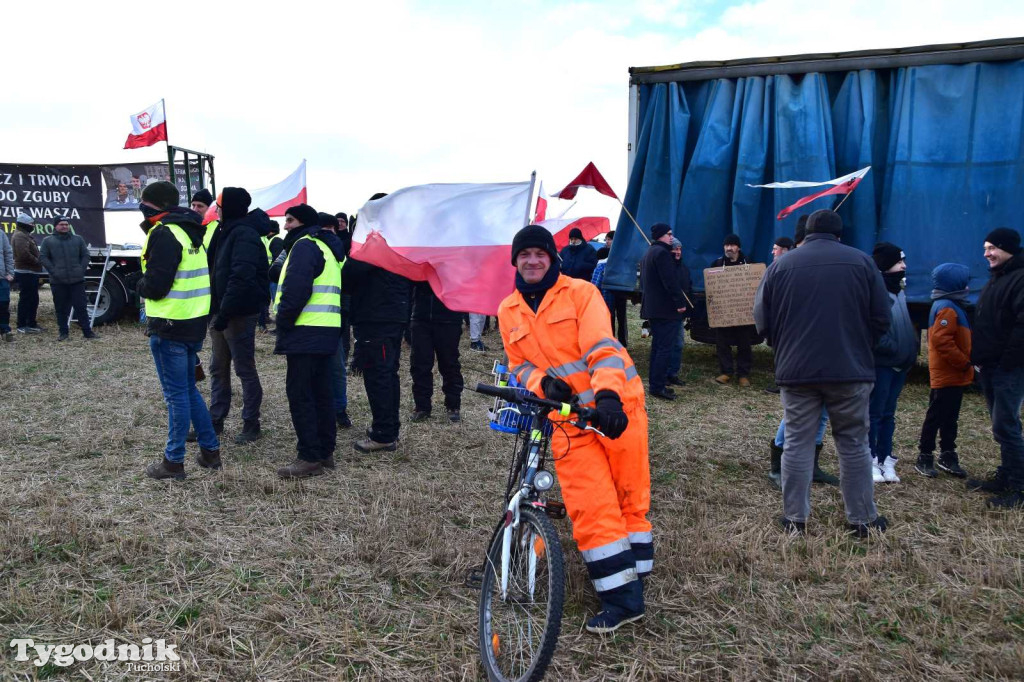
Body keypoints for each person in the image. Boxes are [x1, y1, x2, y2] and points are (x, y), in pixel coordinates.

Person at [499, 224, 652, 634]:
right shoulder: (508, 310)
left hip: (617, 409)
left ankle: (638, 572)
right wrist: (542, 384)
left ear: (553, 258)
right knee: (590, 504)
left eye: (540, 254)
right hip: (566, 420)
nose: (532, 261)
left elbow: (603, 347)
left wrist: (608, 397)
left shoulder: (582, 293)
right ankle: (622, 599)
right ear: (515, 261)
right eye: (524, 255)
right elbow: (518, 364)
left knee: (628, 497)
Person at [754, 209, 891, 536]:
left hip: (797, 371)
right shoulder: (862, 263)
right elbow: (882, 318)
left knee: (797, 443)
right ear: (840, 234)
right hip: (850, 370)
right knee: (854, 444)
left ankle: (794, 519)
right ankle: (862, 520)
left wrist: (782, 345)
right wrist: (860, 346)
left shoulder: (781, 265)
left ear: (805, 233)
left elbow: (761, 319)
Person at [136, 181, 220, 480]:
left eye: (144, 203)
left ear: (155, 205)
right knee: (187, 389)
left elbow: (156, 286)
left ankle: (173, 462)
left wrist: (138, 283)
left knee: (176, 396)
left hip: (169, 325)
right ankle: (210, 451)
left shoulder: (165, 232)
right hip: (192, 323)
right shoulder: (190, 231)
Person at [273, 203, 346, 478]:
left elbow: (296, 290)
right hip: (326, 329)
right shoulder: (327, 246)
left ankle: (309, 456)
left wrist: (283, 322)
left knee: (301, 395)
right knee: (321, 393)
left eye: (290, 220)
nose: (285, 226)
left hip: (305, 330)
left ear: (303, 223)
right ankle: (325, 451)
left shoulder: (304, 245)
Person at [766, 216, 837, 489]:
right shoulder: (786, 267)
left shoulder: (832, 265)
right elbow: (766, 311)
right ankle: (778, 465)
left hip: (829, 349)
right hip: (799, 351)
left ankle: (812, 465)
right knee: (797, 412)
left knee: (823, 411)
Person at [344, 193, 412, 453]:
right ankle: (388, 428)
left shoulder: (376, 241)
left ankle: (383, 434)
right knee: (387, 373)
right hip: (391, 314)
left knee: (379, 375)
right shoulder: (399, 237)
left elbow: (349, 276)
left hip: (377, 316)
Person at [206, 187, 270, 445]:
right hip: (220, 311)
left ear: (229, 207)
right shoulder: (224, 231)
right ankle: (215, 421)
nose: (216, 210)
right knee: (217, 368)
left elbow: (241, 277)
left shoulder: (244, 234)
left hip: (238, 313)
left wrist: (225, 312)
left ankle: (251, 424)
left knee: (244, 369)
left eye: (219, 206)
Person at [967, 228, 1024, 509]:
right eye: (985, 248)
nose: (986, 254)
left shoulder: (1020, 278)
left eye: (992, 248)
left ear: (1007, 248)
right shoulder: (998, 276)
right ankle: (1006, 475)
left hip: (1007, 369)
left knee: (1006, 425)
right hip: (990, 366)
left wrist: (1006, 362)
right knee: (1001, 424)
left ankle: (1019, 487)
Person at [915, 263, 972, 479]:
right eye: (964, 283)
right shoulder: (947, 307)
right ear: (954, 284)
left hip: (954, 375)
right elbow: (941, 340)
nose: (967, 287)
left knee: (950, 417)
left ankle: (948, 454)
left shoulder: (951, 304)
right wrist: (964, 363)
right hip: (948, 373)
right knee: (936, 416)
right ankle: (925, 455)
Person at [869, 242, 919, 484]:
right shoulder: (876, 292)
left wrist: (911, 349)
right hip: (883, 365)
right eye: (899, 262)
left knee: (889, 414)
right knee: (874, 413)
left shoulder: (899, 292)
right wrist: (895, 350)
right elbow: (874, 332)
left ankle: (884, 456)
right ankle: (869, 458)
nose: (904, 266)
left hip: (900, 364)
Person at [639, 223, 687, 400]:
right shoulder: (661, 253)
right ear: (661, 235)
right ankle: (658, 387)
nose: (671, 237)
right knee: (664, 349)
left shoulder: (650, 252)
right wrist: (680, 303)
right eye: (669, 234)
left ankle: (655, 384)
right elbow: (670, 281)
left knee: (658, 347)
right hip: (665, 310)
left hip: (654, 309)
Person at [409, 282, 464, 423]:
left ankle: (453, 405)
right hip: (421, 315)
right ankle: (422, 407)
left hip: (449, 317)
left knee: (449, 363)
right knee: (419, 363)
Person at [317, 212, 352, 428]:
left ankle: (340, 409)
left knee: (337, 369)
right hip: (311, 321)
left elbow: (346, 286)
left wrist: (344, 314)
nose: (330, 233)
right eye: (326, 228)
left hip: (334, 320)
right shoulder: (308, 249)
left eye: (333, 229)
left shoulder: (340, 254)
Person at [39, 219, 97, 341]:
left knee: (81, 307)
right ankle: (63, 333)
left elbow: (85, 255)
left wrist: (81, 269)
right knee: (61, 309)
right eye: (61, 224)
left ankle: (87, 332)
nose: (64, 226)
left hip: (77, 281)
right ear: (55, 226)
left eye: (66, 224)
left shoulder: (78, 239)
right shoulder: (48, 241)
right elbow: (43, 257)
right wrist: (54, 272)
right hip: (58, 282)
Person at [712, 234, 755, 386]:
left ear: (738, 247)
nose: (729, 248)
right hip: (723, 312)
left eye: (732, 245)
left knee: (744, 344)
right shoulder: (717, 264)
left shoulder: (748, 264)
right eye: (726, 245)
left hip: (742, 313)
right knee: (722, 343)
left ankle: (743, 374)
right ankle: (726, 372)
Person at [666, 237, 693, 386]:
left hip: (679, 314)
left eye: (679, 249)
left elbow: (688, 288)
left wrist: (688, 309)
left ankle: (673, 373)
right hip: (666, 312)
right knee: (666, 345)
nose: (678, 252)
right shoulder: (665, 268)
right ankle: (664, 374)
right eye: (675, 249)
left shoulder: (684, 269)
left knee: (678, 344)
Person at [11, 213, 44, 333]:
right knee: (26, 298)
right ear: (24, 224)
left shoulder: (24, 235)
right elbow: (23, 254)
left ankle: (31, 323)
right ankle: (22, 325)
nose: (33, 225)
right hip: (26, 271)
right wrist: (37, 261)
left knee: (33, 298)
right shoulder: (20, 235)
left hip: (31, 271)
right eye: (31, 224)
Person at [0, 226, 13, 341]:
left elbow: (8, 253)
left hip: (2, 277)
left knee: (3, 304)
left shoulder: (1, 234)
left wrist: (9, 272)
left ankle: (5, 330)